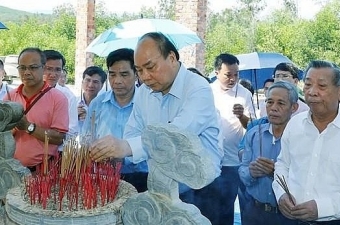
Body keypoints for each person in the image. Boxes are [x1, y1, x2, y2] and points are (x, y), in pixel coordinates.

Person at [89, 32, 222, 223]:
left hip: (198, 189)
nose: (145, 76)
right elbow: (131, 132)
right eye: (139, 70)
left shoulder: (198, 88)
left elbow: (176, 137)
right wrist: (124, 145)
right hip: (159, 189)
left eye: (150, 67)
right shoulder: (144, 92)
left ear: (172, 57)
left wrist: (126, 147)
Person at [272, 60, 340, 224]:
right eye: (308, 85)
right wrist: (281, 194)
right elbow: (282, 164)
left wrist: (323, 208)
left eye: (322, 86)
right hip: (290, 219)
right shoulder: (294, 124)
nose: (312, 92)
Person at [81, 48, 147, 192]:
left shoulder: (147, 103)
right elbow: (86, 138)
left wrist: (124, 154)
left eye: (124, 75)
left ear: (136, 74)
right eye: (112, 74)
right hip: (103, 175)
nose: (117, 81)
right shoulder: (98, 103)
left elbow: (151, 142)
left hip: (140, 175)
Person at [239, 81, 299, 225]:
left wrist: (276, 173)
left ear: (294, 107)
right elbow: (242, 170)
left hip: (287, 216)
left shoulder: (301, 138)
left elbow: (306, 180)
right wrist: (251, 172)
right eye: (269, 102)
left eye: (281, 103)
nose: (273, 108)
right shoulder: (254, 134)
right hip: (255, 211)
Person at [210, 53, 256, 225]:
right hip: (209, 158)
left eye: (236, 74)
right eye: (228, 74)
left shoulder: (244, 94)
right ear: (216, 72)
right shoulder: (206, 92)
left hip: (232, 161)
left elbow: (251, 126)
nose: (233, 79)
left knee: (227, 207)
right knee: (208, 206)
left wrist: (241, 116)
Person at [3, 47, 68, 167]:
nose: (26, 72)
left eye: (32, 67)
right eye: (22, 67)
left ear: (43, 68)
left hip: (41, 171)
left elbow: (59, 138)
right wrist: (10, 128)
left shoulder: (58, 98)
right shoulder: (9, 97)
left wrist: (28, 127)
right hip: (11, 169)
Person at [43, 50, 79, 138]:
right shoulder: (27, 92)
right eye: (49, 69)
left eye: (58, 70)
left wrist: (53, 137)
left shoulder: (68, 96)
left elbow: (72, 130)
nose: (53, 74)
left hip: (56, 150)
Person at [77, 66, 107, 133]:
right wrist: (73, 116)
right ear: (82, 82)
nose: (90, 85)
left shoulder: (105, 106)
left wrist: (90, 120)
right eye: (88, 80)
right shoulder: (73, 102)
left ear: (102, 85)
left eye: (95, 82)